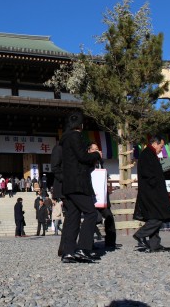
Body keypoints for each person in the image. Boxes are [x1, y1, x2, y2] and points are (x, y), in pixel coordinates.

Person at [60, 112, 102, 263]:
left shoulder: (64, 139)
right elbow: (82, 157)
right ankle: (83, 248)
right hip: (78, 183)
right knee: (91, 213)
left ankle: (68, 252)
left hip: (68, 184)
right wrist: (96, 154)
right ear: (81, 125)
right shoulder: (75, 137)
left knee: (73, 217)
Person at [133, 135, 170, 253]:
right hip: (152, 192)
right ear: (154, 144)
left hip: (152, 191)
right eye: (161, 146)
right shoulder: (147, 154)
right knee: (159, 215)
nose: (161, 149)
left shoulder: (150, 154)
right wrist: (156, 184)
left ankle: (155, 245)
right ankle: (141, 234)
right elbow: (148, 173)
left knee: (154, 216)